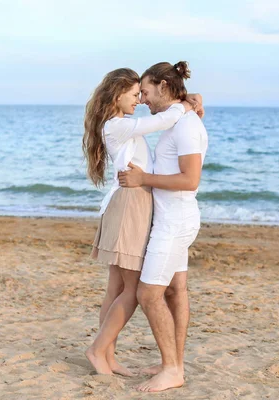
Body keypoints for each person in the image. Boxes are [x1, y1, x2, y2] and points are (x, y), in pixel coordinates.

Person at [82, 67, 203, 376]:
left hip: (131, 202)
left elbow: (161, 120)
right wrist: (187, 104)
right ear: (117, 95)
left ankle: (107, 356)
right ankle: (99, 350)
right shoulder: (117, 126)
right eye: (135, 95)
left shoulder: (121, 125)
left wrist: (184, 103)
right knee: (132, 288)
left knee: (116, 287)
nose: (139, 100)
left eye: (141, 94)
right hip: (130, 204)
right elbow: (163, 120)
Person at [118, 61, 208, 392]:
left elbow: (190, 179)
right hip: (172, 218)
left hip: (175, 221)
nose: (142, 98)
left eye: (145, 91)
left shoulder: (185, 127)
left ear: (164, 87)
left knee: (148, 293)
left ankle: (172, 368)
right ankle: (174, 362)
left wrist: (143, 178)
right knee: (174, 290)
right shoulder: (180, 121)